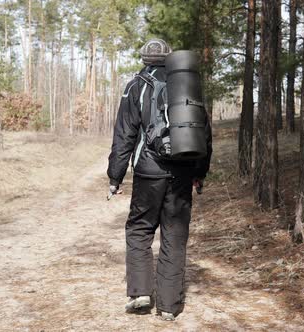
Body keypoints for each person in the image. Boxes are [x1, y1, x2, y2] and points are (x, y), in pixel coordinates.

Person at [106, 38, 212, 321]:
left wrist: (115, 177)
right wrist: (199, 172)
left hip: (148, 171)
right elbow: (203, 131)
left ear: (144, 59)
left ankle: (140, 294)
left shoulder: (136, 86)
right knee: (174, 236)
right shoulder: (187, 85)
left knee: (140, 229)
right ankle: (168, 307)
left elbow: (124, 135)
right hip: (182, 170)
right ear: (169, 59)